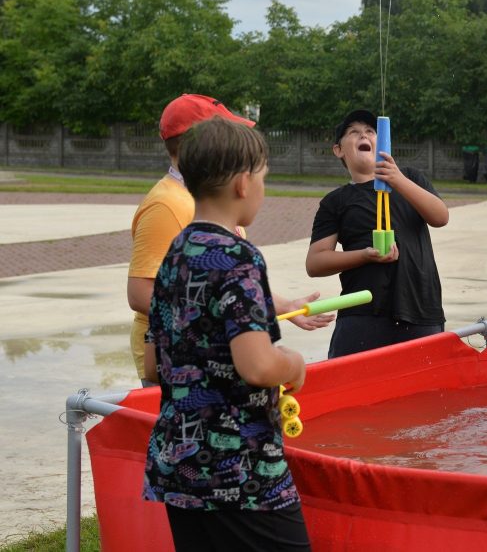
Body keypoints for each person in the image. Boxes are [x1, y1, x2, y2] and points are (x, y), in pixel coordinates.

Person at [142, 117, 310, 551]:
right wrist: (293, 364)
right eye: (263, 179)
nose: (262, 189)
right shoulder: (237, 256)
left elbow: (152, 366)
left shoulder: (175, 254)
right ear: (242, 183)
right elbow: (257, 365)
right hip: (242, 472)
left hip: (179, 462)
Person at [127, 93, 330, 386]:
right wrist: (294, 365)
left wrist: (283, 306)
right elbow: (259, 366)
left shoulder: (189, 235)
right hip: (230, 416)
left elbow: (154, 358)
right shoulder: (169, 206)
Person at [306, 109, 449, 358]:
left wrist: (397, 180)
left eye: (371, 131)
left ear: (383, 142)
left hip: (420, 308)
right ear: (338, 150)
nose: (364, 135)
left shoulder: (411, 178)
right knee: (351, 390)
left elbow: (440, 217)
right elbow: (315, 262)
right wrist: (364, 255)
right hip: (362, 312)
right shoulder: (336, 201)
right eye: (354, 132)